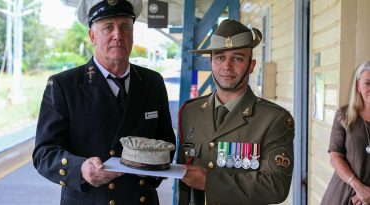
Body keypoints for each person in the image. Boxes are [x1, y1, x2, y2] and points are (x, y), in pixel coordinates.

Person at [32, 0, 176, 204]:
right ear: (92, 36)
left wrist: (154, 169)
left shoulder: (152, 82)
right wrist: (80, 169)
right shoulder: (64, 85)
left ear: (133, 33)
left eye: (124, 26)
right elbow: (44, 153)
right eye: (108, 27)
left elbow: (167, 142)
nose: (118, 35)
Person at [177, 19, 295, 205]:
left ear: (251, 65)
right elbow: (183, 181)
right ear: (211, 62)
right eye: (220, 57)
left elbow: (276, 186)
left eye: (238, 58)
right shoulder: (189, 112)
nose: (227, 66)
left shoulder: (273, 119)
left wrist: (211, 182)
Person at [321, 61, 370, 205]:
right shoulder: (344, 116)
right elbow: (335, 157)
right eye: (368, 83)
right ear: (358, 86)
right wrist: (359, 187)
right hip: (344, 194)